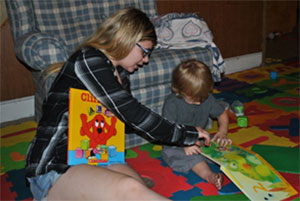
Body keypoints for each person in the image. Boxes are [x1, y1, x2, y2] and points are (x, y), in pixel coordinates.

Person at [25, 8, 211, 201]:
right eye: (144, 51)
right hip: (53, 167)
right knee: (130, 188)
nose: (146, 59)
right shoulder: (89, 59)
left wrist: (164, 125)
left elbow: (129, 124)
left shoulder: (119, 74)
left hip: (97, 158)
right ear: (126, 38)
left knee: (137, 187)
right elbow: (135, 115)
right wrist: (186, 134)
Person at [161, 59, 232, 190]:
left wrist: (222, 131)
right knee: (193, 159)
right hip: (176, 144)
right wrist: (185, 143)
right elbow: (168, 131)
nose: (199, 103)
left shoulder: (207, 98)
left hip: (200, 139)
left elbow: (222, 114)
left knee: (222, 149)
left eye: (203, 98)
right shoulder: (172, 104)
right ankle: (210, 176)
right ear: (180, 91)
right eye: (193, 99)